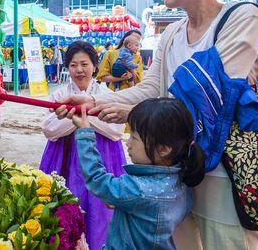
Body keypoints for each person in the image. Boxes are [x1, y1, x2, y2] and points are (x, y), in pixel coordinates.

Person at [55, 0, 258, 250]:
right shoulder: (172, 34)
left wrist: (135, 113)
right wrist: (94, 100)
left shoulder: (240, 16)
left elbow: (210, 96)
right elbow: (152, 88)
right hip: (174, 171)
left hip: (220, 171)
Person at [65, 98, 205, 249]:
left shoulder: (138, 190)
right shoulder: (182, 184)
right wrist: (129, 202)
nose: (128, 142)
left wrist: (84, 133)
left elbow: (97, 180)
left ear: (164, 149)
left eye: (134, 137)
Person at [40, 41, 127, 250]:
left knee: (100, 213)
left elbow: (116, 130)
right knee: (62, 208)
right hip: (63, 156)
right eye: (73, 65)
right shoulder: (59, 95)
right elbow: (49, 129)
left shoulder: (107, 94)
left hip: (103, 157)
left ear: (94, 66)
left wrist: (77, 115)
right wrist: (89, 117)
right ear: (67, 67)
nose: (79, 70)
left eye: (84, 64)